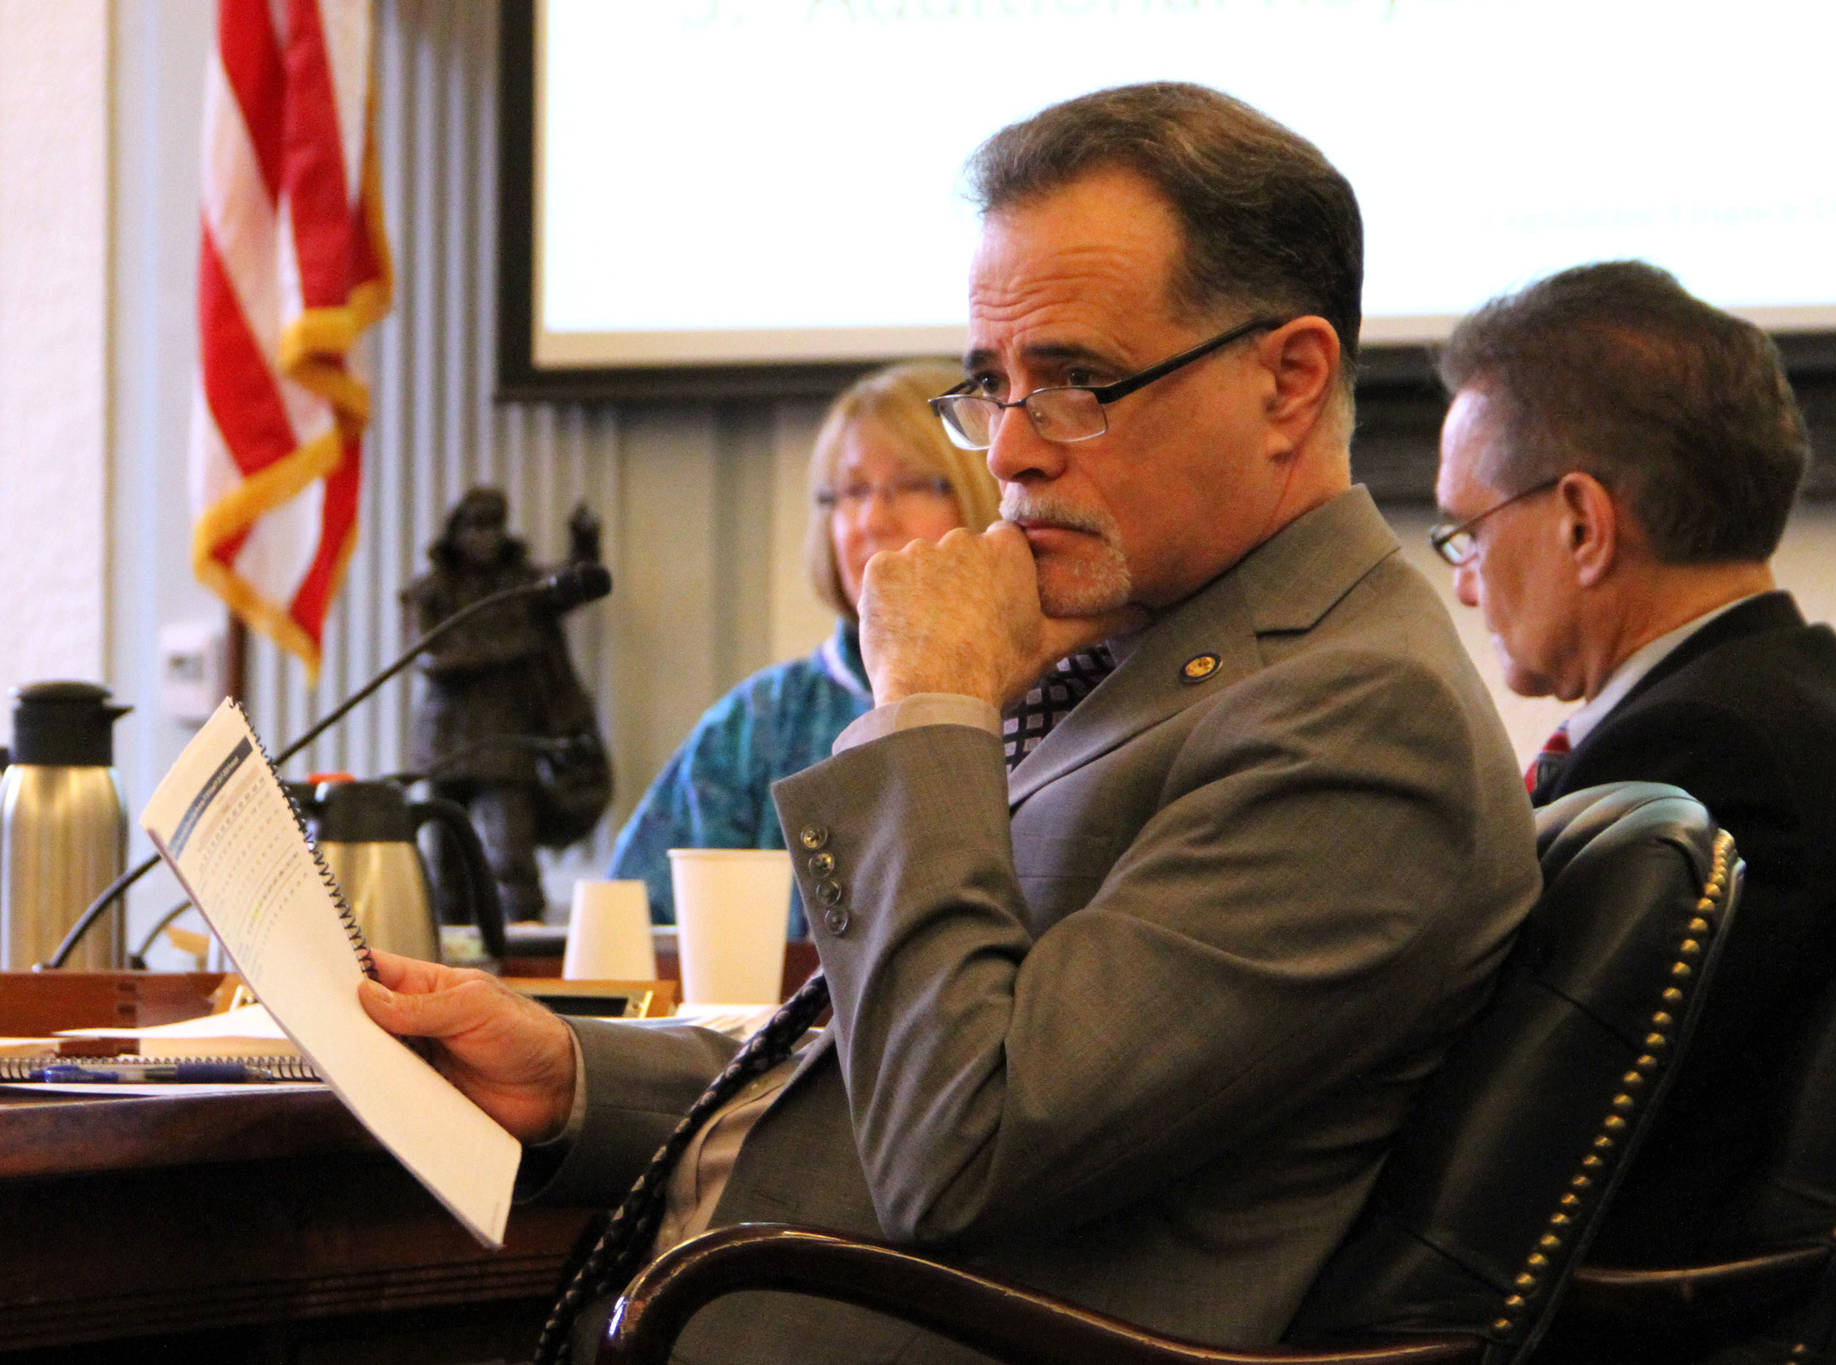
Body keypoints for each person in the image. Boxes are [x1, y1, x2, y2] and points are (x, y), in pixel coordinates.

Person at [361, 82, 1539, 1363]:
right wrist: (579, 1078)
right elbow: (898, 1053)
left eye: (1078, 381)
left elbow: (957, 1150)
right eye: (993, 384)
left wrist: (930, 703)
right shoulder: (1151, 649)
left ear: (1287, 383)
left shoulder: (1360, 717)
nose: (1014, 452)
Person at [1430, 260, 1836, 1268]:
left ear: (1581, 524)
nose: (1462, 590)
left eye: (1466, 534)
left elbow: (1523, 1142)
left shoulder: (1695, 770)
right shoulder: (1786, 703)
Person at [607, 360, 1001, 936]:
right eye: (852, 491)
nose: (872, 519)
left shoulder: (1054, 693)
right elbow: (632, 932)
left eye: (914, 484)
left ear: (984, 491)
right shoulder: (760, 721)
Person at [403, 488, 611, 923]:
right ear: (456, 532)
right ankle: (448, 961)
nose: (486, 537)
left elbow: (572, 585)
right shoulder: (431, 591)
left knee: (513, 857)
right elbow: (432, 658)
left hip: (506, 742)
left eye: (495, 525)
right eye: (476, 525)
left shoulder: (519, 585)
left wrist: (585, 544)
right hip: (448, 742)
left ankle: (525, 950)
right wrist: (512, 647)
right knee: (446, 867)